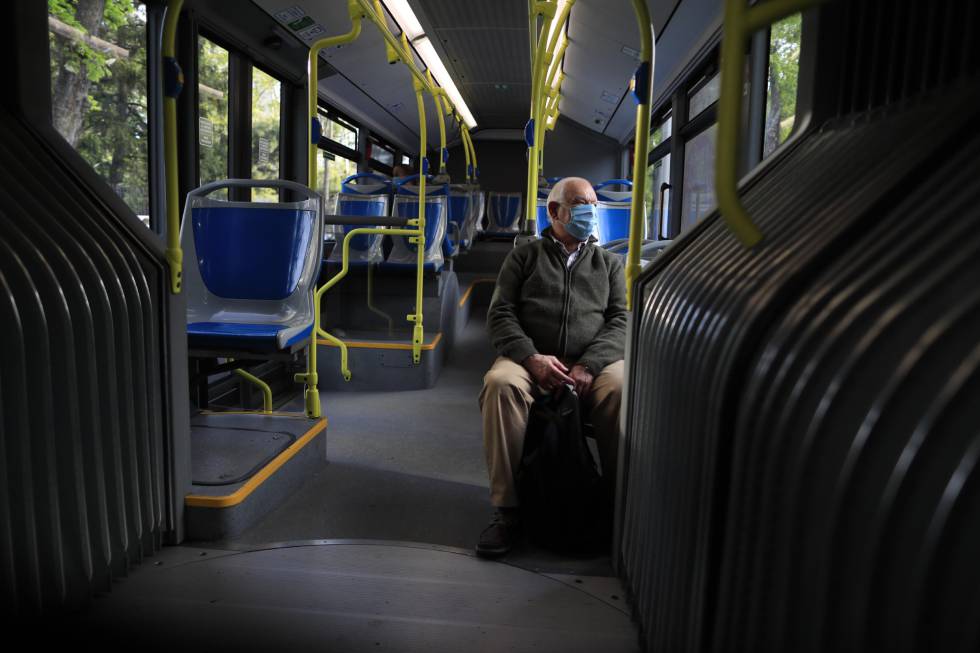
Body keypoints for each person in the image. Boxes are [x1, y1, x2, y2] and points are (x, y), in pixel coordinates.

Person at [476, 176, 627, 558]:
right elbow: (501, 313)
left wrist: (590, 365)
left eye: (593, 204)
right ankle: (507, 511)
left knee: (622, 389)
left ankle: (618, 506)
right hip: (531, 356)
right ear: (555, 211)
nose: (590, 212)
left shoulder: (609, 264)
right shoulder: (524, 256)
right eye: (580, 203)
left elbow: (620, 321)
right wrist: (530, 357)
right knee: (500, 384)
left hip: (592, 358)